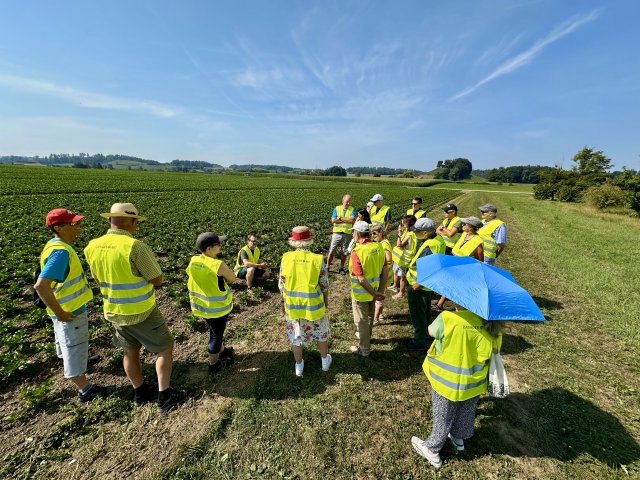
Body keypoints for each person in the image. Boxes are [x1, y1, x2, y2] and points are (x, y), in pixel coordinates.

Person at [84, 203, 186, 413]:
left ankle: (139, 392)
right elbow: (157, 279)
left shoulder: (92, 246)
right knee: (164, 348)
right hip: (141, 311)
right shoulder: (135, 247)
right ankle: (165, 396)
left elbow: (96, 277)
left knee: (130, 352)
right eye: (136, 222)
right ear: (132, 222)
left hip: (114, 310)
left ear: (110, 220)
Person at [34, 209, 112, 403]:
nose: (79, 227)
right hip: (69, 311)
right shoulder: (60, 252)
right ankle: (85, 389)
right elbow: (41, 286)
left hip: (66, 308)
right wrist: (60, 313)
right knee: (73, 346)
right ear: (59, 228)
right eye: (73, 224)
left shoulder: (56, 245)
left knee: (68, 342)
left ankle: (80, 361)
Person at [412, 305, 504, 469]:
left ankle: (432, 449)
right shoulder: (494, 326)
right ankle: (458, 438)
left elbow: (430, 331)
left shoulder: (449, 318)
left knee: (443, 415)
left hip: (447, 382)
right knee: (466, 410)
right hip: (474, 383)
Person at [279, 226, 331, 377]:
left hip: (293, 306)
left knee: (297, 336)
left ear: (293, 242)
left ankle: (299, 365)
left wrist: (283, 302)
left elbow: (281, 284)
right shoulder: (317, 259)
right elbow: (324, 285)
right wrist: (325, 301)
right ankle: (325, 361)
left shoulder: (286, 258)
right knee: (320, 333)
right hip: (313, 306)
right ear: (309, 240)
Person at [186, 232, 237, 374]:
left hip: (201, 306)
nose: (220, 246)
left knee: (214, 330)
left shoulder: (194, 260)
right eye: (218, 244)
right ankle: (213, 365)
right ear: (209, 249)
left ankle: (222, 350)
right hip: (217, 309)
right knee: (216, 336)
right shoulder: (218, 265)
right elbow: (232, 278)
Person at [404, 218, 446, 350]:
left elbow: (430, 269)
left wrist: (417, 286)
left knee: (418, 314)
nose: (415, 233)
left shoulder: (429, 247)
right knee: (426, 311)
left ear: (426, 232)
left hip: (420, 286)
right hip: (429, 286)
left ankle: (419, 341)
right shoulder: (438, 240)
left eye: (417, 231)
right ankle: (427, 333)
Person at [348, 220, 388, 357]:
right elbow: (385, 271)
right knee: (370, 318)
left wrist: (374, 293)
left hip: (362, 294)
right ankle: (367, 337)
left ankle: (364, 349)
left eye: (353, 232)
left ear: (358, 234)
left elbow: (361, 279)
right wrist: (379, 291)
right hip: (375, 291)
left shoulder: (357, 251)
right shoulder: (378, 247)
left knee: (361, 321)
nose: (352, 235)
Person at [434, 216, 484, 311]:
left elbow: (480, 261)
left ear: (471, 227)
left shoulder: (477, 242)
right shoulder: (464, 234)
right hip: (455, 265)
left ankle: (461, 311)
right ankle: (440, 304)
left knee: (459, 293)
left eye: (465, 224)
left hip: (465, 271)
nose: (463, 225)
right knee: (449, 284)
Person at [327, 194, 356, 274]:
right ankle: (327, 266)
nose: (348, 203)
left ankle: (341, 268)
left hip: (347, 234)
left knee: (344, 252)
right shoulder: (337, 208)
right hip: (336, 233)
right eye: (347, 201)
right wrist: (346, 220)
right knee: (332, 250)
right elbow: (333, 220)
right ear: (343, 200)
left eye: (349, 202)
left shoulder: (352, 209)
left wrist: (339, 218)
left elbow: (351, 221)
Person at [390, 214, 417, 299]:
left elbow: (399, 244)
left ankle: (401, 293)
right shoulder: (407, 230)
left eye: (405, 222)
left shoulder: (410, 234)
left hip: (404, 259)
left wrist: (399, 233)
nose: (403, 223)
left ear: (410, 223)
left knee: (402, 276)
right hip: (399, 258)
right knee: (396, 271)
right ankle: (395, 286)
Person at [371, 225, 393, 324]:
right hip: (384, 274)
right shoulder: (382, 243)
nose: (373, 235)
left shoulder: (384, 244)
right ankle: (380, 314)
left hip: (383, 275)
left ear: (381, 233)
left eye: (374, 233)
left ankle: (375, 319)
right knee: (380, 294)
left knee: (378, 296)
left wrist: (377, 263)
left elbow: (389, 259)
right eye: (371, 233)